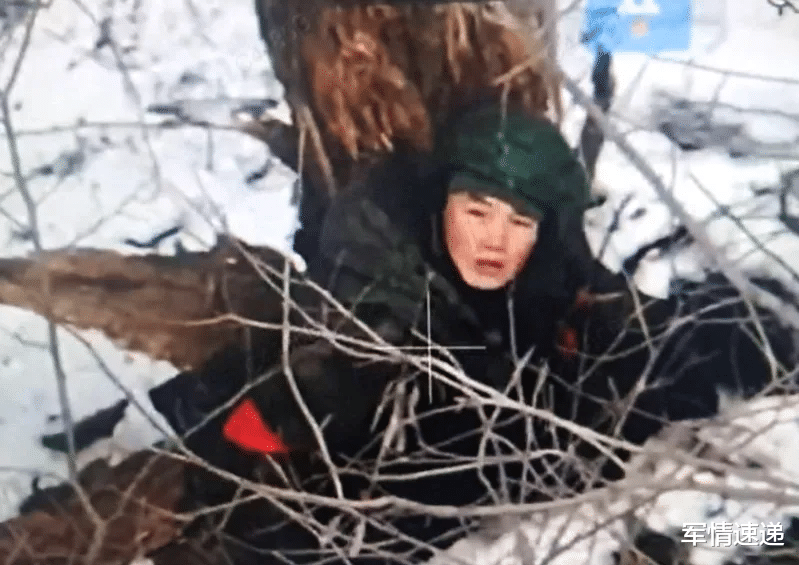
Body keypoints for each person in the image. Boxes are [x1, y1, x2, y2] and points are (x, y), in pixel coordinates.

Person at [34, 103, 798, 565]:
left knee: (722, 494)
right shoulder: (377, 328)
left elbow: (651, 336)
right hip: (476, 532)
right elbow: (265, 458)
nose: (493, 238)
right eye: (476, 210)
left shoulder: (555, 286)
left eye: (519, 220)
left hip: (621, 513)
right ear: (441, 206)